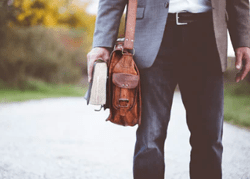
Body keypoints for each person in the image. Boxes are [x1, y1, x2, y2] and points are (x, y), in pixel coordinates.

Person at [87, 0, 250, 178]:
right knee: (150, 138)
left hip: (207, 34)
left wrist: (243, 39)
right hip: (153, 36)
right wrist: (101, 43)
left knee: (209, 138)